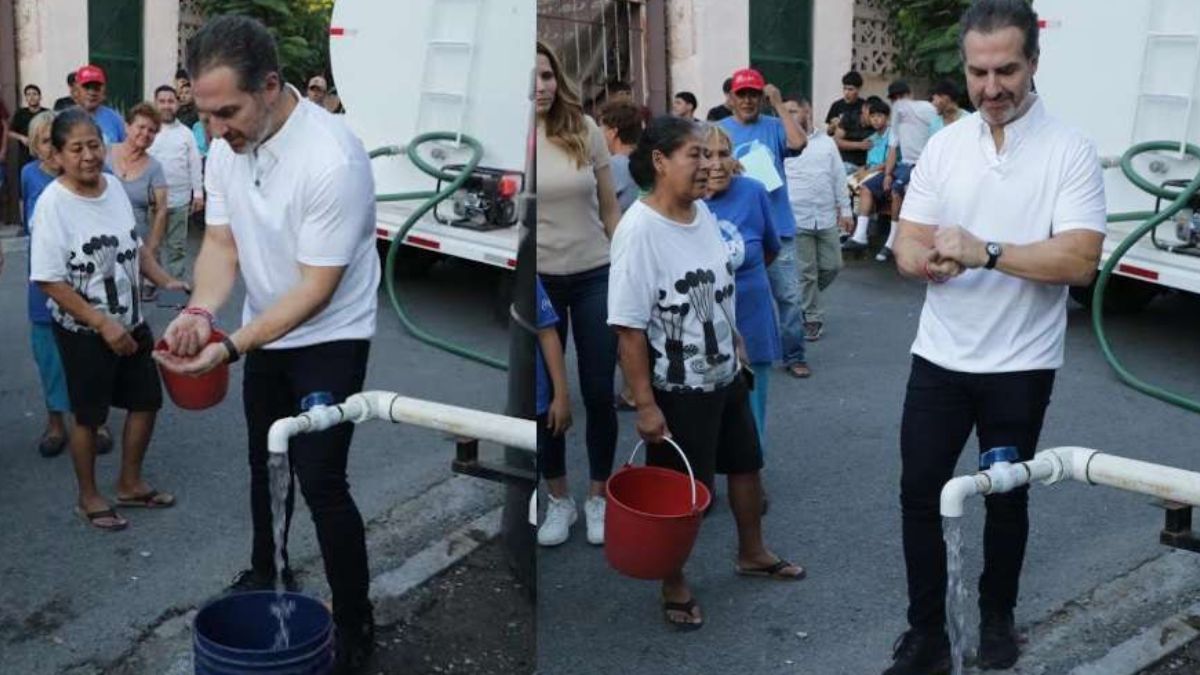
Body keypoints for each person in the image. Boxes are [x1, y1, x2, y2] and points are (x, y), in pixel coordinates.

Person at [881, 1, 1107, 672]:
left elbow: (1078, 261)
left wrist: (985, 251)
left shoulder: (1069, 149)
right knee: (920, 492)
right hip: (940, 358)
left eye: (1006, 69)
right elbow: (907, 240)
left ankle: (997, 614)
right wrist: (926, 260)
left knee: (1006, 495)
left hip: (1020, 364)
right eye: (978, 72)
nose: (991, 87)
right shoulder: (948, 144)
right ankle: (927, 634)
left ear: (1033, 62)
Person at [155, 15, 381, 673]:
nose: (213, 129)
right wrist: (201, 310)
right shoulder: (226, 146)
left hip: (329, 337)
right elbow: (222, 244)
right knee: (264, 461)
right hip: (265, 329)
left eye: (226, 111)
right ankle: (265, 569)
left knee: (321, 480)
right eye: (205, 112)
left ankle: (356, 619)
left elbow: (315, 288)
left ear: (272, 85)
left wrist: (228, 347)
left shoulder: (332, 158)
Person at [610, 115, 804, 631]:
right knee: (679, 491)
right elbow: (628, 330)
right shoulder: (639, 230)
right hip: (677, 388)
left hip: (725, 371)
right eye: (695, 155)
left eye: (711, 155)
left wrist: (736, 343)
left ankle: (752, 552)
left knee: (745, 464)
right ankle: (673, 581)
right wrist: (645, 404)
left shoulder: (701, 216)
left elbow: (721, 287)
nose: (709, 166)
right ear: (660, 162)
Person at [29, 109, 188, 531]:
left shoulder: (115, 188)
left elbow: (134, 246)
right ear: (58, 156)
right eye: (76, 148)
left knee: (146, 401)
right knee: (89, 416)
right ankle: (89, 497)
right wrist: (101, 323)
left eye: (94, 145)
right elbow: (48, 279)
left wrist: (165, 279)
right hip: (84, 330)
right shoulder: (52, 206)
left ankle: (130, 484)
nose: (87, 156)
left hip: (131, 319)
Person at [534, 41, 622, 548]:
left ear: (558, 77)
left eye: (547, 75)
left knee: (596, 391)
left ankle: (598, 497)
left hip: (595, 273)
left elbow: (610, 210)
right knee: (547, 397)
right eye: (530, 78)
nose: (540, 86)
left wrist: (627, 263)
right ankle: (559, 499)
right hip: (540, 281)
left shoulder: (584, 129)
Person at [719, 67, 810, 378]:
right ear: (731, 97)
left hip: (779, 226)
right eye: (742, 94)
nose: (747, 100)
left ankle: (794, 354)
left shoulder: (774, 125)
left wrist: (779, 104)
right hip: (737, 229)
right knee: (732, 296)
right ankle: (734, 353)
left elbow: (799, 143)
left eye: (753, 94)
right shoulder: (718, 130)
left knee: (789, 298)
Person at [702, 123, 780, 446]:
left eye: (724, 154)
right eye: (707, 155)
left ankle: (753, 471)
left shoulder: (753, 191)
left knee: (752, 403)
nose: (717, 163)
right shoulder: (687, 200)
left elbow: (770, 249)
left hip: (752, 312)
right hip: (704, 321)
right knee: (705, 410)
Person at [21, 110, 71, 458]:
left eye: (57, 139)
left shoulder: (80, 175)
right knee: (49, 354)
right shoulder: (28, 175)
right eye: (44, 141)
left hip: (80, 279)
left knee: (89, 351)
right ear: (36, 147)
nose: (52, 147)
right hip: (41, 280)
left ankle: (93, 418)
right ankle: (55, 421)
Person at [782, 96, 850, 342]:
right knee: (807, 272)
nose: (787, 115)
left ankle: (800, 298)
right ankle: (812, 317)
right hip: (796, 216)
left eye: (792, 110)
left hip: (825, 216)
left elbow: (839, 177)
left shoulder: (826, 143)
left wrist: (846, 210)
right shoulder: (784, 142)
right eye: (784, 111)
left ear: (807, 110)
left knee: (833, 266)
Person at [108, 103, 169, 302]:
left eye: (152, 131)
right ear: (127, 127)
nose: (146, 134)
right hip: (100, 243)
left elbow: (161, 209)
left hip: (134, 246)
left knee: (128, 304)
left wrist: (151, 248)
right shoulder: (104, 154)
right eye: (141, 127)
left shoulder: (154, 168)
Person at [876, 79, 938, 263]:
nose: (899, 101)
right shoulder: (897, 119)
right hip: (906, 165)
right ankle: (887, 239)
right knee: (887, 189)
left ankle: (901, 242)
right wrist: (887, 173)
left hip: (926, 165)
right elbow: (893, 148)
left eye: (901, 96)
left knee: (905, 192)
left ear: (909, 95)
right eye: (895, 99)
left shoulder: (927, 110)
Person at [148, 85, 204, 281]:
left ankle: (175, 281)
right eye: (162, 101)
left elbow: (195, 164)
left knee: (177, 245)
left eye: (170, 101)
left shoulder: (186, 134)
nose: (166, 105)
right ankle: (153, 280)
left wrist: (198, 193)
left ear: (177, 104)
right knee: (152, 244)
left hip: (180, 201)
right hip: (152, 201)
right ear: (155, 103)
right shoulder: (148, 132)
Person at [535, 275, 572, 488]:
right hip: (521, 400)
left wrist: (560, 396)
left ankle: (560, 500)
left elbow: (548, 333)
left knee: (549, 449)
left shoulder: (531, 281)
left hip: (539, 400)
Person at [845, 98, 893, 250]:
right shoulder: (872, 138)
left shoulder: (892, 135)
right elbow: (869, 162)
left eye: (880, 116)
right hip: (870, 171)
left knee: (861, 186)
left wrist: (867, 172)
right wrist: (862, 170)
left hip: (883, 172)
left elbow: (889, 162)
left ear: (887, 117)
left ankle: (860, 233)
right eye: (873, 117)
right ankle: (847, 229)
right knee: (844, 184)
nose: (876, 120)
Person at [596, 98, 642, 213]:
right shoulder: (646, 161)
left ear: (613, 133)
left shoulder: (612, 166)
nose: (598, 132)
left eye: (601, 127)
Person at [826, 70, 872, 171]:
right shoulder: (837, 106)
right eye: (845, 89)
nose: (847, 92)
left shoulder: (864, 106)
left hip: (862, 159)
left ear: (858, 89)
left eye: (851, 89)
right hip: (842, 157)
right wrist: (832, 126)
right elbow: (829, 133)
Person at [75, 65, 126, 147]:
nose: (92, 93)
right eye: (87, 87)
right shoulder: (65, 119)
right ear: (77, 90)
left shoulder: (115, 119)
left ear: (104, 90)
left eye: (96, 88)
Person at [10, 84, 50, 171]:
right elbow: (10, 132)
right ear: (26, 98)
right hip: (25, 155)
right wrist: (21, 138)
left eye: (34, 94)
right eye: (28, 94)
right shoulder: (20, 113)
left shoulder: (47, 113)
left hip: (44, 154)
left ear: (40, 97)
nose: (31, 97)